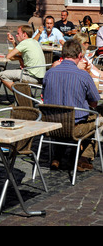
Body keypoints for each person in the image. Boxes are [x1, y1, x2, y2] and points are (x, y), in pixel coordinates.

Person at [42, 39, 101, 172]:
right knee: (99, 117)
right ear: (80, 56)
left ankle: (57, 156)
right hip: (74, 129)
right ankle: (84, 158)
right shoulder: (83, 75)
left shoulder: (50, 73)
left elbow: (44, 96)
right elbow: (94, 103)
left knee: (62, 113)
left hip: (51, 127)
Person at [0, 25, 46, 91]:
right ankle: (22, 93)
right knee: (14, 73)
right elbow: (20, 53)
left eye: (18, 33)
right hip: (41, 77)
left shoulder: (24, 43)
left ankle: (20, 94)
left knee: (2, 74)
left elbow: (9, 56)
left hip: (31, 77)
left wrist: (18, 58)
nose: (16, 35)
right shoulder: (34, 41)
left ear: (24, 34)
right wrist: (13, 42)